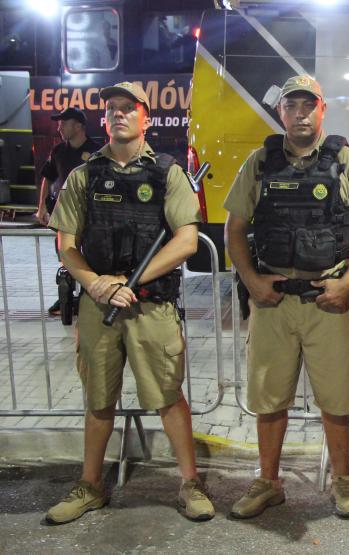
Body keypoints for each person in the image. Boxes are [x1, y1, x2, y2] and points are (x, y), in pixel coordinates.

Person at [46, 82, 213, 524]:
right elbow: (67, 244)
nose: (119, 114)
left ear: (146, 118)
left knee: (168, 395)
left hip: (150, 305)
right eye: (112, 109)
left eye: (129, 108)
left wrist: (128, 281)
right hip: (99, 306)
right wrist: (98, 284)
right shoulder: (83, 175)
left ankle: (190, 483)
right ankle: (91, 485)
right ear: (105, 120)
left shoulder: (167, 173)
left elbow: (186, 241)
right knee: (98, 398)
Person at [224, 75, 349, 520]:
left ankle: (343, 483)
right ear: (281, 112)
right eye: (292, 106)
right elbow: (234, 228)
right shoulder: (260, 161)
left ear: (322, 109)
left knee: (336, 399)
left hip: (328, 302)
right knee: (269, 398)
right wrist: (252, 280)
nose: (301, 113)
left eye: (309, 105)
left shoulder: (346, 161)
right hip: (273, 302)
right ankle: (268, 483)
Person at [36, 107, 100, 316]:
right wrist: (42, 208)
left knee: (91, 257)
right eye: (59, 123)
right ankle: (66, 297)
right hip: (65, 216)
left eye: (64, 123)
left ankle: (90, 294)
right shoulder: (58, 151)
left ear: (79, 126)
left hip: (90, 216)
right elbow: (48, 177)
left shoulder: (96, 151)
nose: (59, 127)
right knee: (66, 256)